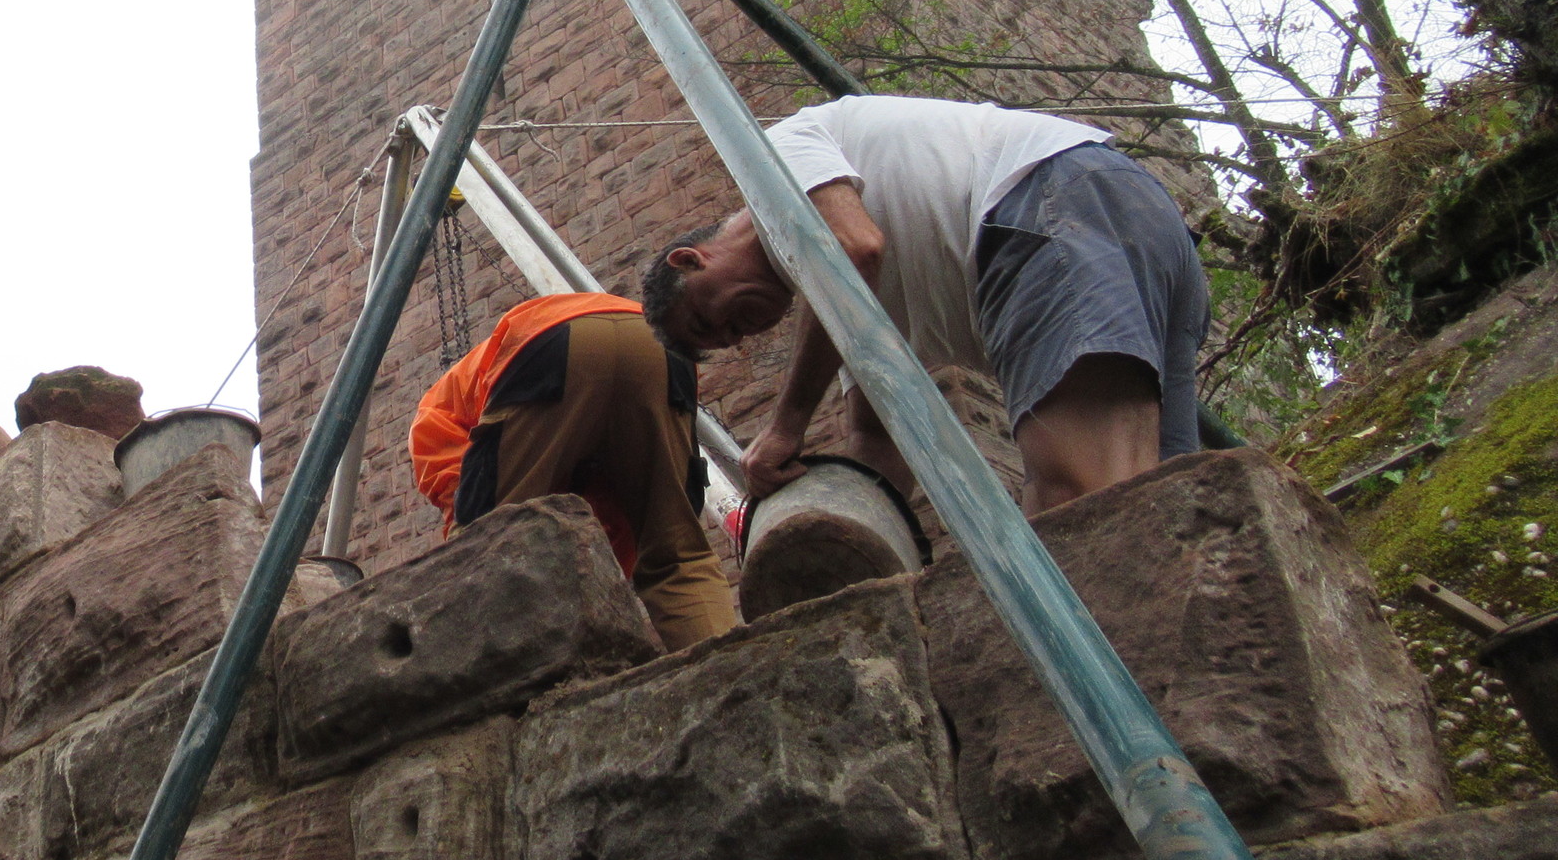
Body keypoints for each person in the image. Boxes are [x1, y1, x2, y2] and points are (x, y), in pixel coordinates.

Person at [639, 95, 1210, 518]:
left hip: (1050, 204)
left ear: (690, 261)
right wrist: (844, 531)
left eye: (708, 320)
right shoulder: (848, 315)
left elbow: (853, 249)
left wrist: (787, 425)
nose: (735, 333)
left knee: (1079, 508)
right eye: (730, 342)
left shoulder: (770, 155)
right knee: (1163, 509)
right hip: (1140, 227)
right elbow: (877, 439)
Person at [410, 290, 737, 651]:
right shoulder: (589, 476)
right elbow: (614, 536)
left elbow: (443, 459)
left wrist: (466, 522)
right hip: (655, 342)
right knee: (677, 557)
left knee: (487, 549)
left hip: (548, 344)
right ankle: (727, 664)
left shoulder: (442, 407)